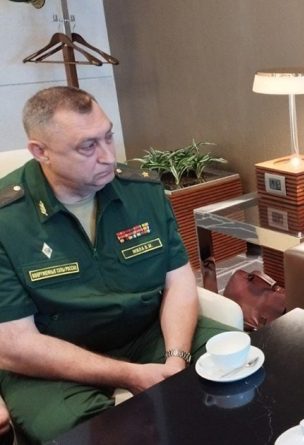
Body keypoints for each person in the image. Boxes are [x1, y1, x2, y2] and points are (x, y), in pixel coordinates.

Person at [0, 86, 232, 443]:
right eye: (88, 146)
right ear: (40, 152)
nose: (109, 157)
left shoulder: (141, 191)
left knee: (236, 367)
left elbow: (179, 283)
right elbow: (15, 343)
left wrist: (176, 358)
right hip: (52, 361)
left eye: (108, 136)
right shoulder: (7, 219)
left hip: (146, 333)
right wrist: (129, 374)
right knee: (87, 434)